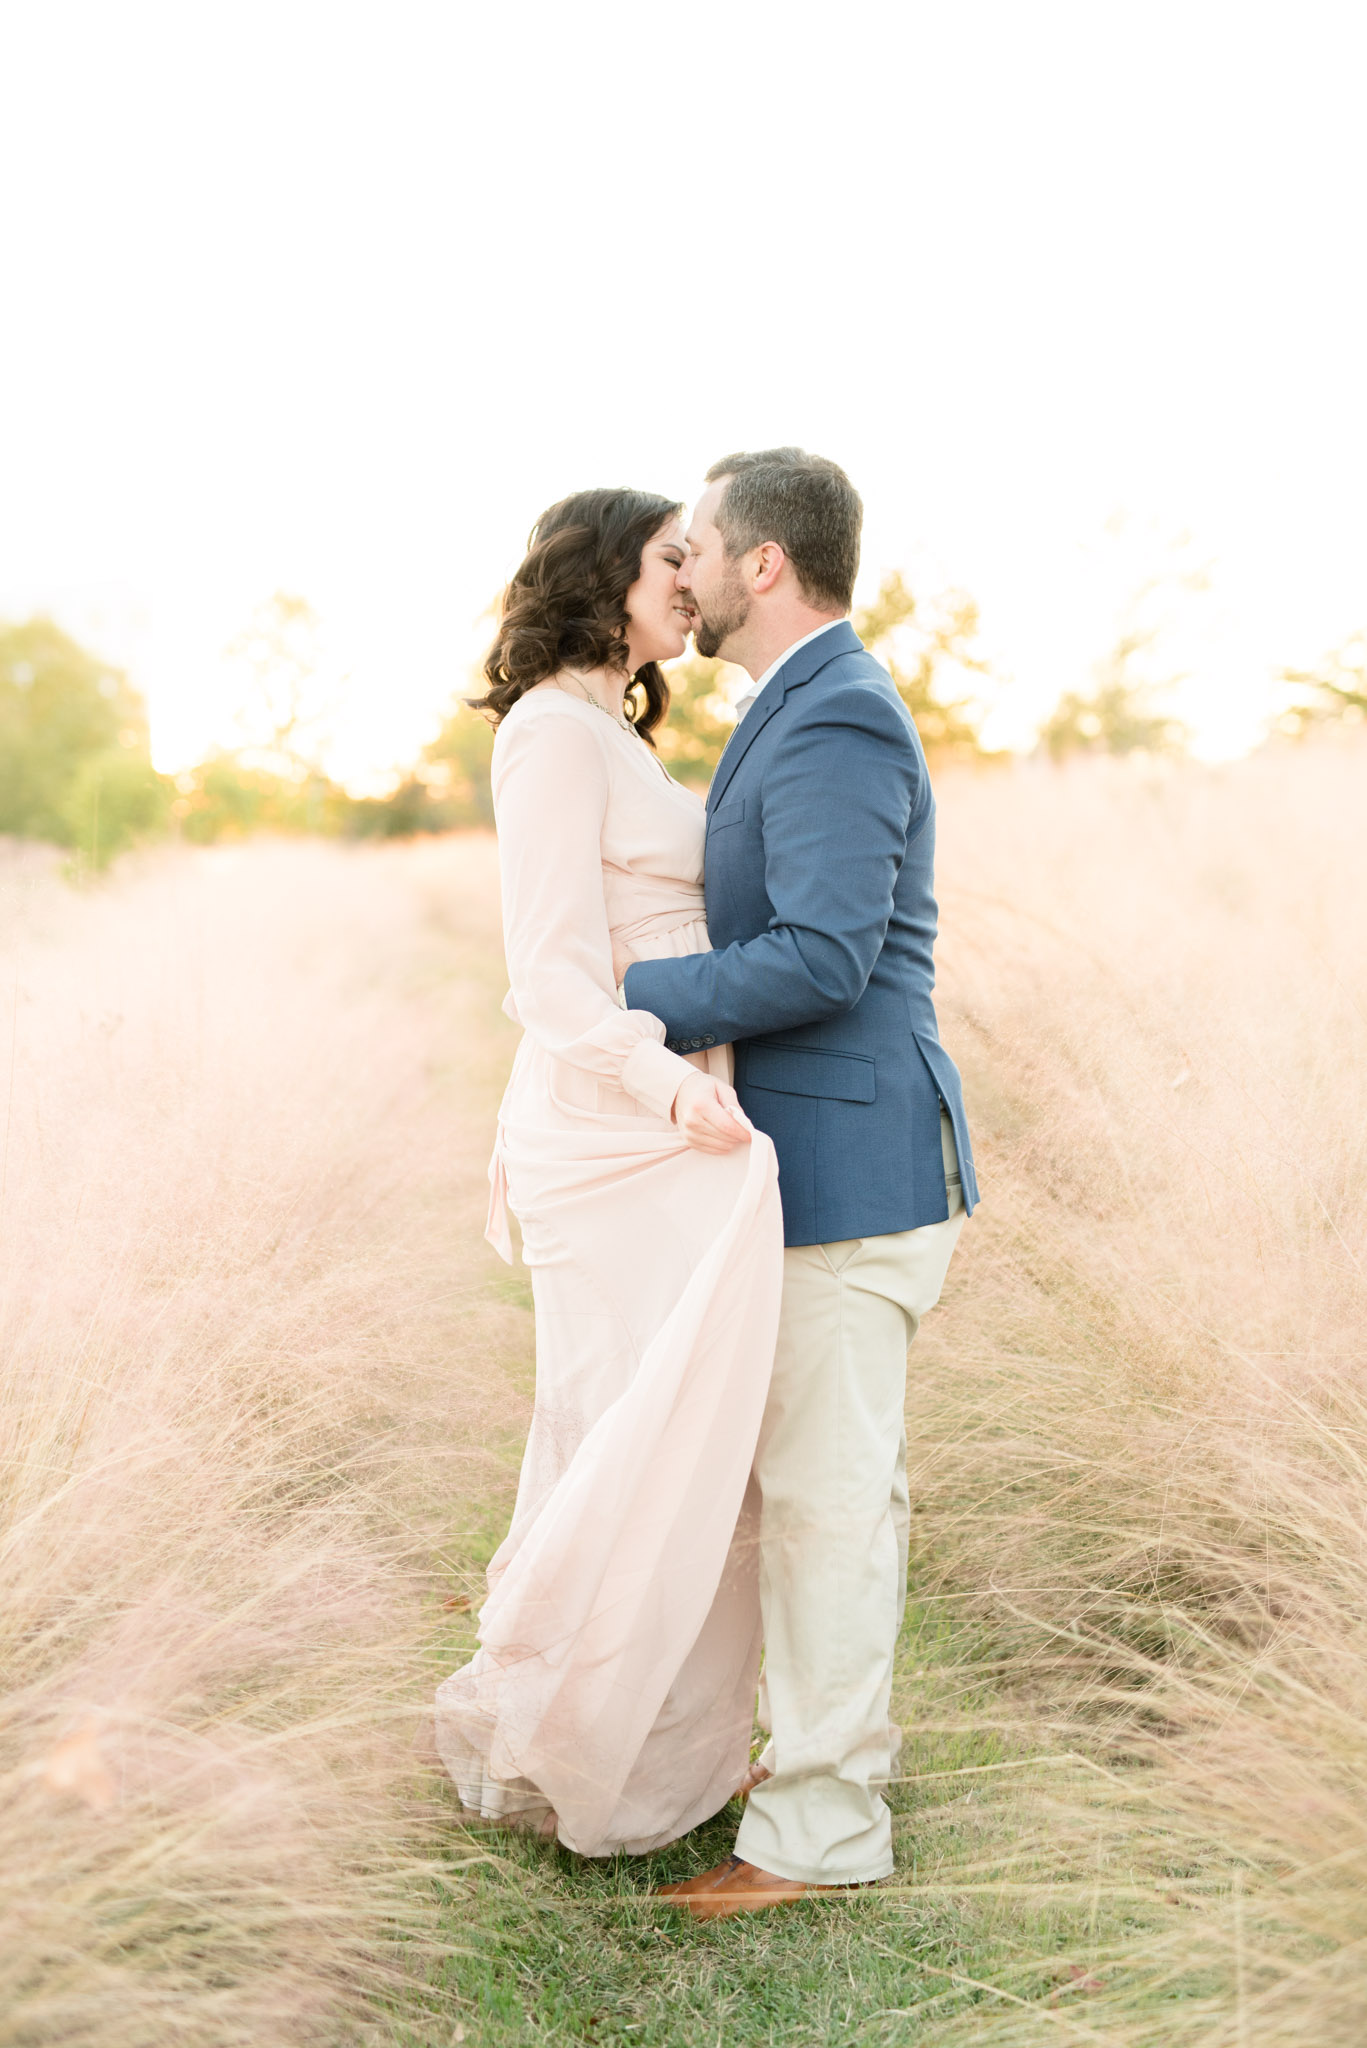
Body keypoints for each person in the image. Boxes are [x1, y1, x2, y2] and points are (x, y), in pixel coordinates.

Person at [623, 448, 978, 1919]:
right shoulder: (798, 702)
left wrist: (628, 990)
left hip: (852, 1163)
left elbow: (828, 956)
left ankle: (822, 1839)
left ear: (764, 564)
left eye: (700, 545)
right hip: (816, 1162)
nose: (684, 569)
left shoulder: (833, 711)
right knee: (809, 1494)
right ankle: (809, 1773)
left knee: (832, 1508)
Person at [433, 489, 783, 1857]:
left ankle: (669, 1765)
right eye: (668, 557)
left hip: (663, 1110)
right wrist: (668, 1083)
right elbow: (552, 974)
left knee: (703, 1437)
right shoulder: (548, 735)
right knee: (630, 1432)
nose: (689, 577)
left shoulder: (609, 732)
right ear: (604, 574)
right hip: (620, 1124)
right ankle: (573, 1750)